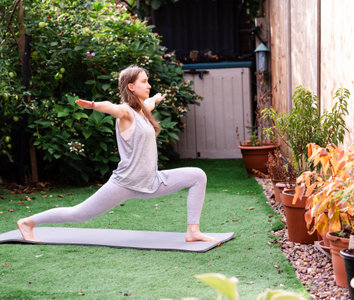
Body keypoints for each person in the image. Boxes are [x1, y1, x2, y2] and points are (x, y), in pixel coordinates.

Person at [17, 65, 216, 243]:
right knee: (80, 213)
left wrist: (156, 98)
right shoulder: (127, 112)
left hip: (152, 181)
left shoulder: (143, 110)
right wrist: (94, 105)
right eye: (144, 81)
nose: (149, 85)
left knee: (198, 175)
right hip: (126, 183)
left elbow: (150, 104)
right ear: (131, 86)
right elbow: (113, 108)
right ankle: (27, 222)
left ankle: (193, 231)